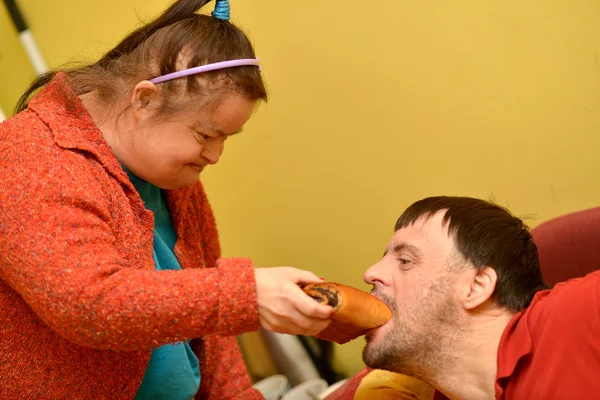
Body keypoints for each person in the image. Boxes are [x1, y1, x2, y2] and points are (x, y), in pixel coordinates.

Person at [0, 1, 335, 399]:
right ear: (144, 100)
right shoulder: (28, 156)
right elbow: (89, 304)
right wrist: (247, 293)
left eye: (225, 138)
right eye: (206, 135)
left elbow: (208, 323)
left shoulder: (171, 174)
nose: (214, 156)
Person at [359, 196, 600, 399]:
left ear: (476, 286)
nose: (370, 273)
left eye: (405, 261)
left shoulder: (581, 307)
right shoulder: (391, 390)